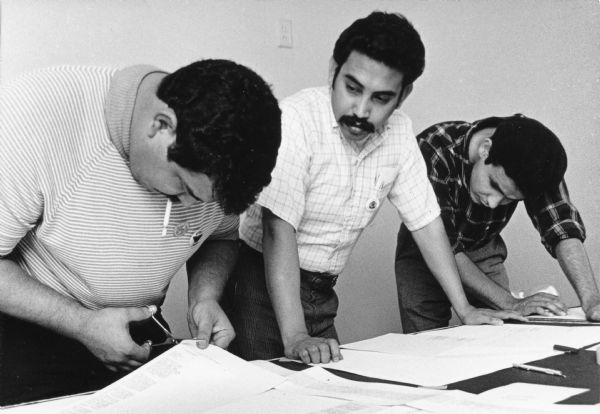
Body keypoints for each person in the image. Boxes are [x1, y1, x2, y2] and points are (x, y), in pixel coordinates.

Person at [222, 11, 520, 365]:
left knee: (327, 392)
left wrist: (466, 308)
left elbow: (426, 224)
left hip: (321, 291)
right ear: (334, 71)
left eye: (380, 98)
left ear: (402, 95)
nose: (360, 110)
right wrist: (296, 335)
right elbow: (277, 229)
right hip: (258, 282)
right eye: (352, 88)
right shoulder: (296, 119)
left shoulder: (400, 134)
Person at [0, 59, 281, 404]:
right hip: (27, 327)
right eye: (184, 190)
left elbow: (221, 237)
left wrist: (204, 297)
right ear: (162, 126)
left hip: (133, 331)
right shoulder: (36, 114)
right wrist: (82, 324)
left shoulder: (216, 162)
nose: (189, 208)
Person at [395, 114, 600, 333]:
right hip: (425, 249)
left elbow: (561, 226)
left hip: (484, 246)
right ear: (485, 149)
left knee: (500, 333)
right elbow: (443, 242)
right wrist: (510, 303)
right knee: (426, 344)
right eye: (494, 185)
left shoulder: (537, 159)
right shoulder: (435, 148)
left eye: (508, 199)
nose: (492, 203)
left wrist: (591, 301)